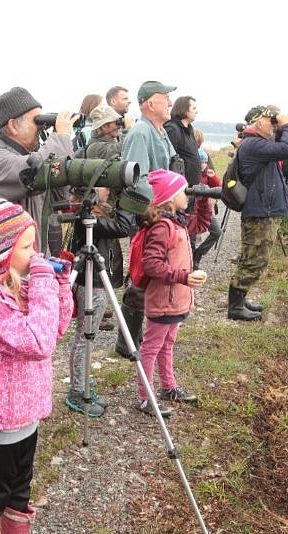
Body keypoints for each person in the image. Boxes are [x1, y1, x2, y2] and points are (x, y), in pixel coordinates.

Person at [0, 199, 73, 534]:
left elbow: (57, 328)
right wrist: (43, 284)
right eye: (26, 246)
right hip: (3, 416)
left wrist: (59, 285)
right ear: (1, 254)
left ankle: (16, 525)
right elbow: (39, 344)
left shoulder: (21, 285)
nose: (35, 254)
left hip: (27, 411)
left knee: (19, 489)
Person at [136, 169, 207, 417]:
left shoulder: (176, 221)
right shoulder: (163, 226)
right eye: (182, 190)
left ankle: (168, 386)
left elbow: (203, 224)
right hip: (163, 299)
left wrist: (206, 199)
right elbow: (151, 264)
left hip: (176, 300)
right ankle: (146, 398)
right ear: (168, 196)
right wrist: (184, 277)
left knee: (168, 344)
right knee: (151, 348)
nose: (186, 193)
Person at [115, 81, 177, 359]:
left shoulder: (160, 131)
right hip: (148, 214)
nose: (171, 103)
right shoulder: (141, 132)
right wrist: (158, 206)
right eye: (166, 98)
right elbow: (135, 178)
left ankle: (138, 336)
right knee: (141, 275)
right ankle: (126, 340)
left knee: (150, 276)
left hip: (162, 213)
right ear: (149, 103)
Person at [65, 186, 137, 417]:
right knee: (84, 338)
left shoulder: (99, 213)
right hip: (90, 284)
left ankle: (83, 382)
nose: (110, 189)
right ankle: (77, 391)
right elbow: (124, 228)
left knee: (89, 337)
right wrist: (127, 198)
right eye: (104, 184)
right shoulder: (88, 217)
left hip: (95, 281)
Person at [0, 86, 78, 252]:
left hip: (31, 259)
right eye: (36, 121)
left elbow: (60, 195)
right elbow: (35, 172)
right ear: (13, 126)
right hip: (8, 267)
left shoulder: (28, 155)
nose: (41, 127)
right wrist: (61, 137)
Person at [228, 105, 288, 321]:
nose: (275, 128)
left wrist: (280, 130)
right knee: (254, 260)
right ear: (260, 123)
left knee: (254, 258)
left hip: (263, 210)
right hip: (259, 212)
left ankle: (240, 300)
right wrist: (286, 126)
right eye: (272, 123)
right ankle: (235, 307)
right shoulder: (254, 144)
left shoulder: (258, 143)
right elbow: (286, 149)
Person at [188, 148, 222, 269]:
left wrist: (213, 177)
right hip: (191, 211)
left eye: (204, 162)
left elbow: (219, 189)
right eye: (200, 162)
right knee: (190, 240)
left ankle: (199, 254)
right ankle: (191, 265)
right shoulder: (191, 174)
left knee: (217, 232)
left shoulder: (207, 174)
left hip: (205, 211)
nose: (203, 165)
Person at [164, 95, 200, 186]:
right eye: (194, 108)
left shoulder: (189, 130)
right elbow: (166, 159)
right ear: (184, 109)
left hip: (191, 187)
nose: (197, 112)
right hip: (179, 187)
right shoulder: (172, 129)